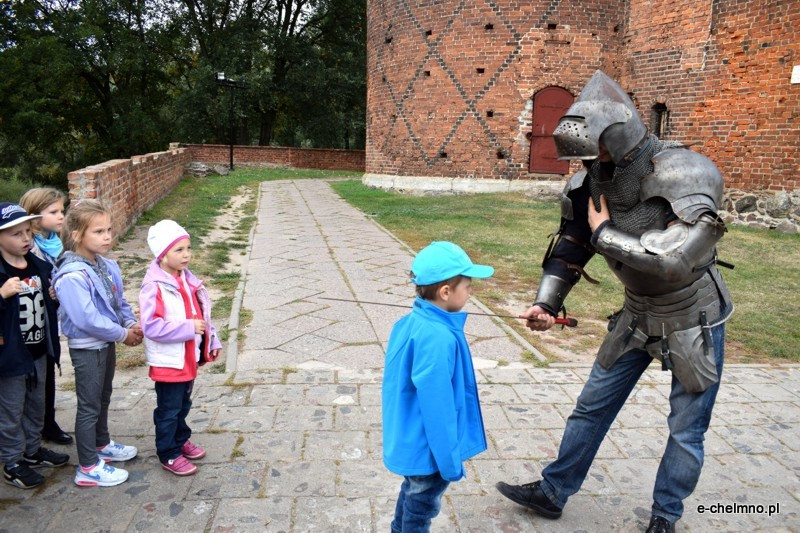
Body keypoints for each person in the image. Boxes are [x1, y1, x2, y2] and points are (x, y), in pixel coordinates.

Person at [495, 70, 733, 533]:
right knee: (592, 406)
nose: (593, 160)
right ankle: (553, 490)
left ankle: (666, 516)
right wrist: (547, 303)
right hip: (636, 312)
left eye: (598, 148)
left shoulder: (686, 171)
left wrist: (606, 233)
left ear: (618, 133)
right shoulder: (592, 179)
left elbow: (676, 261)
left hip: (691, 315)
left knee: (686, 429)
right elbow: (572, 242)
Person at [382, 241, 494, 532]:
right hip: (430, 451)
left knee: (412, 494)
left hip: (413, 440)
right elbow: (437, 407)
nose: (470, 291)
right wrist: (449, 461)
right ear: (446, 292)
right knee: (421, 509)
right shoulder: (437, 338)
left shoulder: (411, 324)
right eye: (468, 286)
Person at [52, 200, 143, 487]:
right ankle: (88, 466)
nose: (107, 237)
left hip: (107, 343)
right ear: (77, 235)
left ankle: (101, 444)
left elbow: (118, 301)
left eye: (109, 229)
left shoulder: (106, 266)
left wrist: (129, 324)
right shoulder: (72, 275)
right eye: (98, 231)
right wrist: (121, 334)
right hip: (88, 348)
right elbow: (87, 319)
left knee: (103, 397)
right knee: (89, 405)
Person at [139, 220, 221, 476]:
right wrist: (187, 328)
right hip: (169, 361)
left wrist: (212, 339)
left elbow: (202, 315)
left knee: (183, 404)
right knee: (169, 409)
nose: (186, 254)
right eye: (179, 250)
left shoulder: (186, 279)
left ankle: (180, 438)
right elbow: (151, 326)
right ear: (162, 255)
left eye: (188, 248)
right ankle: (168, 452)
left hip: (188, 358)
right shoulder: (154, 287)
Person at [0, 203, 69, 489]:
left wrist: (53, 297)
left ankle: (32, 449)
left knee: (36, 404)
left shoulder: (39, 266)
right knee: (10, 409)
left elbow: (48, 305)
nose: (26, 239)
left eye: (28, 231)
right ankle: (12, 461)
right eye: (16, 234)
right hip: (11, 356)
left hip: (39, 348)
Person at [19, 187, 73, 445]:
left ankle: (46, 423)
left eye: (62, 211)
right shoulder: (27, 248)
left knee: (49, 371)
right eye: (53, 212)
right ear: (33, 216)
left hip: (51, 319)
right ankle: (29, 429)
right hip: (30, 322)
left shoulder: (56, 243)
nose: (61, 216)